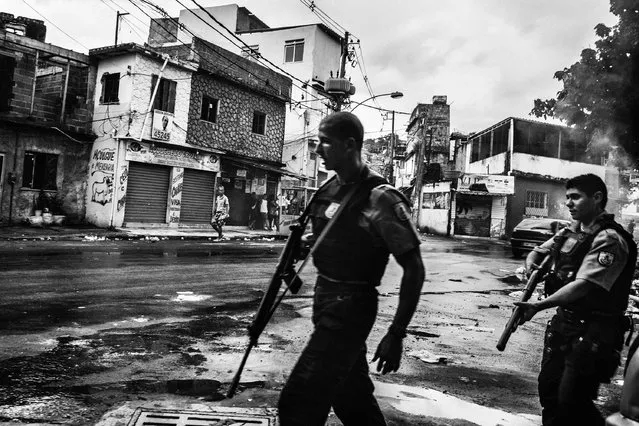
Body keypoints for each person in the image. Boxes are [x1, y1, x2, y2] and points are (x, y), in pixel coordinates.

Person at [277, 111, 425, 426]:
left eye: (325, 143)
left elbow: (414, 269)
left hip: (351, 308)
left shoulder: (380, 198)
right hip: (325, 300)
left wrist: (396, 333)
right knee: (350, 396)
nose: (318, 150)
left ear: (349, 145)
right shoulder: (328, 190)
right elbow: (324, 237)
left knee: (299, 401)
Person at [515, 173, 637, 426]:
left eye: (576, 197)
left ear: (597, 198)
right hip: (565, 325)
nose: (569, 203)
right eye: (567, 197)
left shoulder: (610, 239)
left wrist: (538, 305)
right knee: (549, 391)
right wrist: (531, 264)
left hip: (595, 331)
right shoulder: (571, 232)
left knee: (571, 400)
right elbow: (540, 252)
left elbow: (583, 286)